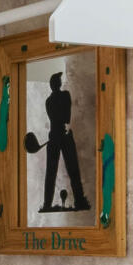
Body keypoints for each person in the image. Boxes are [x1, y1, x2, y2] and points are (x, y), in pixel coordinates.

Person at [39, 68, 86, 213]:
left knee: (50, 173)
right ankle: (79, 200)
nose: (61, 81)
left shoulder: (48, 101)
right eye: (59, 80)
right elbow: (67, 117)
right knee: (73, 169)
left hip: (53, 136)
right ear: (57, 84)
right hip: (64, 135)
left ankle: (47, 203)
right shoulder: (65, 95)